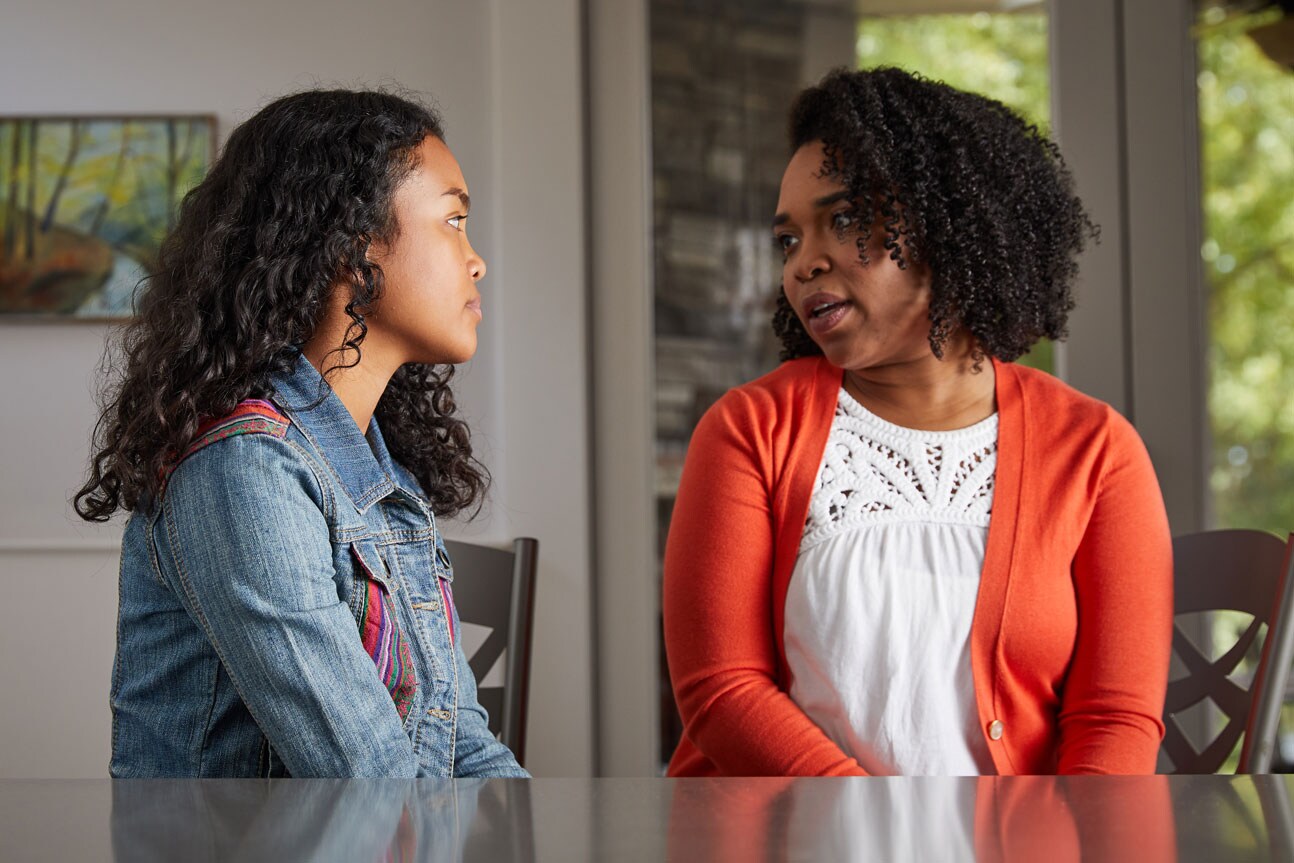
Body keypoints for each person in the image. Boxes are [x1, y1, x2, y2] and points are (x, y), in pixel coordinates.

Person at [662, 67, 1173, 777]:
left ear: (949, 223)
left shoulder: (1096, 450)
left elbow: (1114, 718)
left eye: (843, 219)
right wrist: (881, 826)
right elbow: (722, 690)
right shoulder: (750, 429)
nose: (805, 262)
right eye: (788, 240)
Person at [75, 89, 527, 778]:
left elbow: (464, 745)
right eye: (454, 221)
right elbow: (366, 777)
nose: (476, 259)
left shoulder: (378, 474)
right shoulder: (243, 469)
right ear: (352, 248)